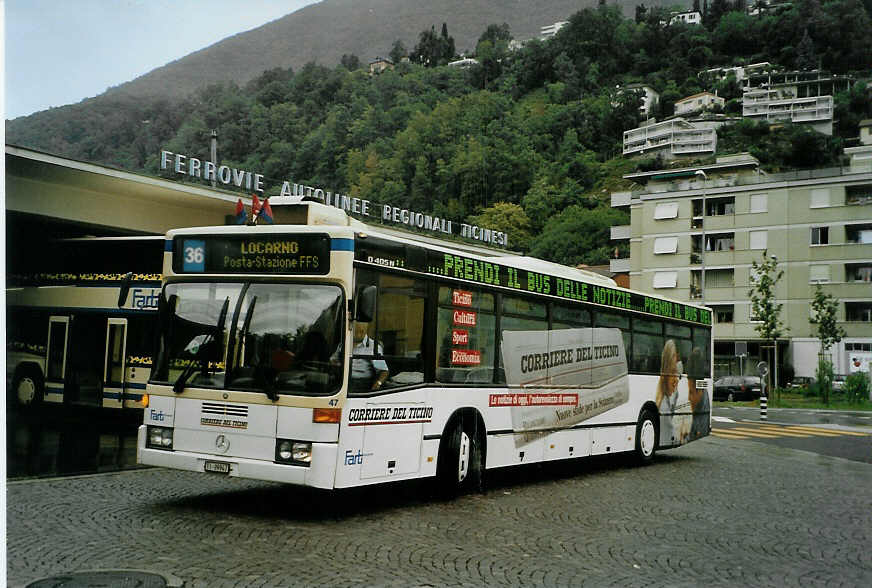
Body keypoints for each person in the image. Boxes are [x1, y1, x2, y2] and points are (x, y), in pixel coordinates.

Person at [351, 321, 389, 392]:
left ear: (365, 330)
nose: (358, 334)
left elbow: (384, 371)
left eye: (361, 331)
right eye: (355, 331)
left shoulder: (373, 347)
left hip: (361, 385)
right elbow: (333, 360)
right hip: (342, 381)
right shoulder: (343, 344)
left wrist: (378, 383)